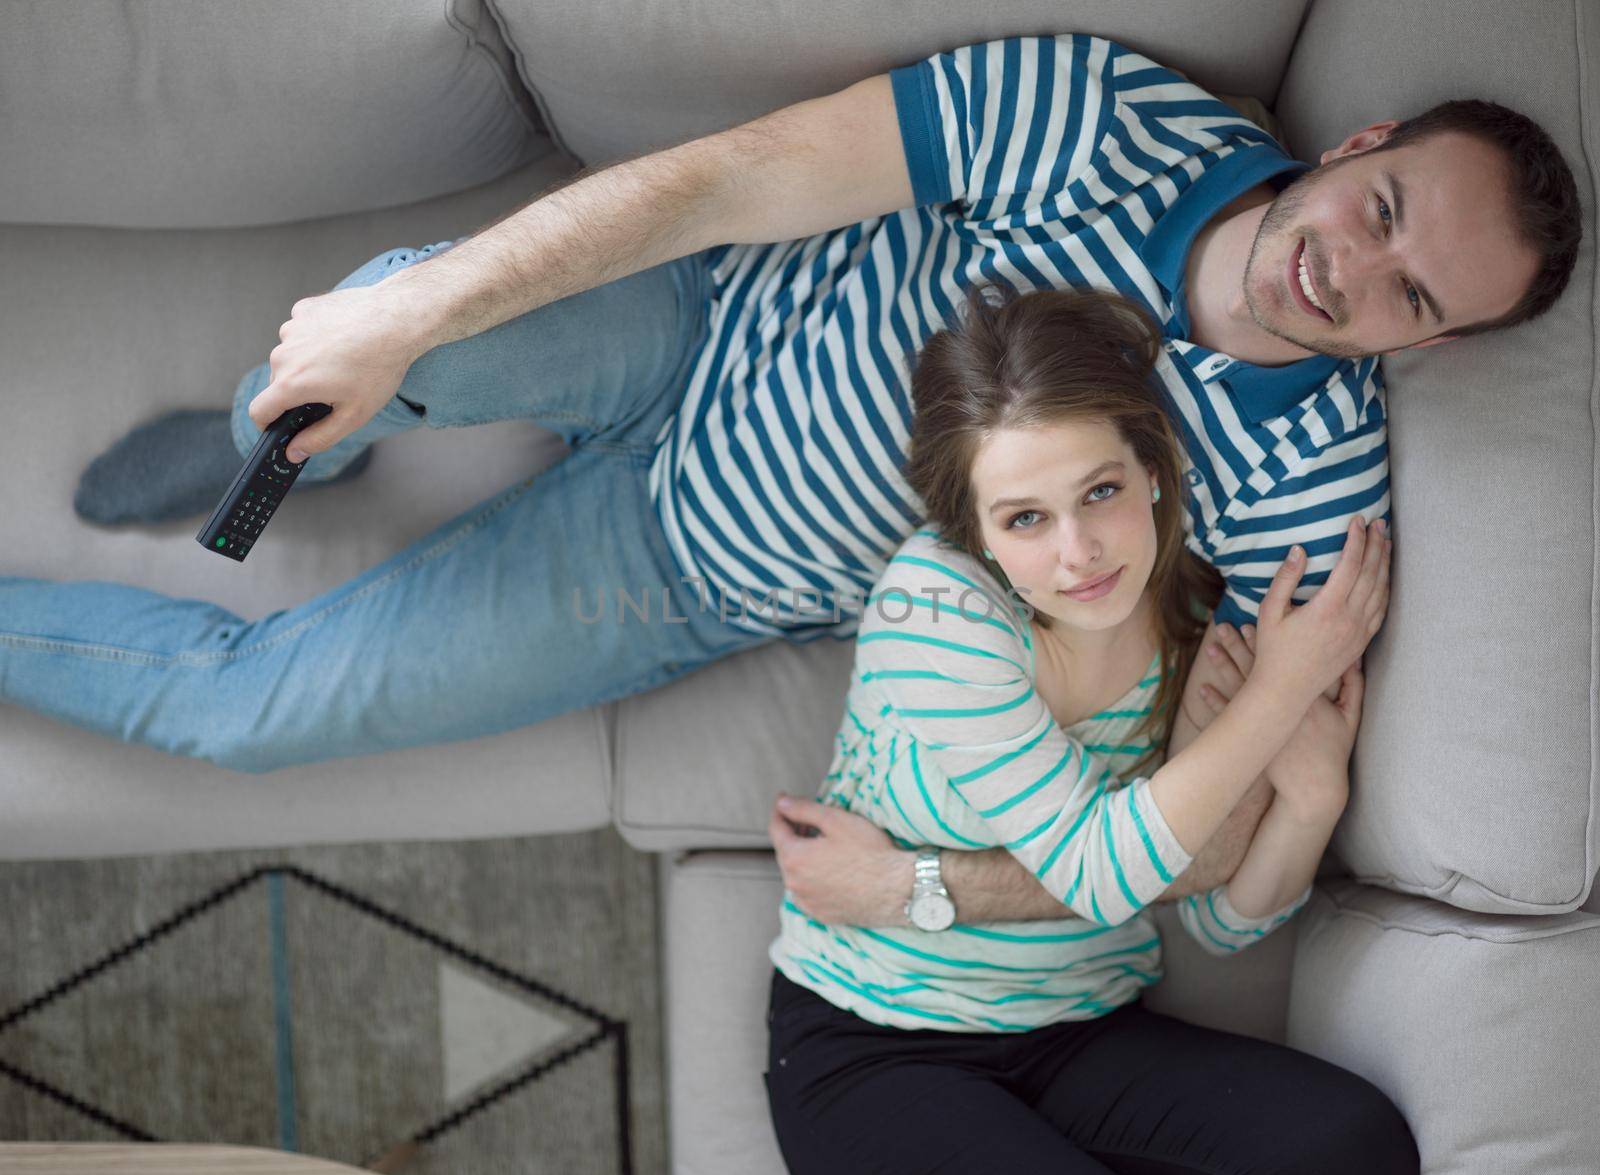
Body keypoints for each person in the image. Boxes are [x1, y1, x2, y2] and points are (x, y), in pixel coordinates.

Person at [4, 32, 1576, 841]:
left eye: (1406, 293)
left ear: (1423, 344)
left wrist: (1241, 715)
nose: (1349, 274)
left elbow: (1172, 762)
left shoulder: (1318, 496)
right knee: (366, 321)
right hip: (697, 316)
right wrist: (402, 336)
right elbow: (733, 180)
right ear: (1358, 148)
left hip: (690, 572)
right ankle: (272, 451)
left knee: (250, 722)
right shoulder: (1110, 118)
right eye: (1380, 212)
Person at [763, 283, 1410, 1175]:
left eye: (1100, 492)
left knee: (1356, 1150)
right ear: (977, 534)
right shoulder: (937, 607)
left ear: (1152, 470)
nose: (1080, 554)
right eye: (1024, 518)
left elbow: (1222, 918)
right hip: (876, 1042)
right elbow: (1103, 873)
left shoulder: (1199, 619)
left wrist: (1313, 799)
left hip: (1082, 1029)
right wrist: (1284, 686)